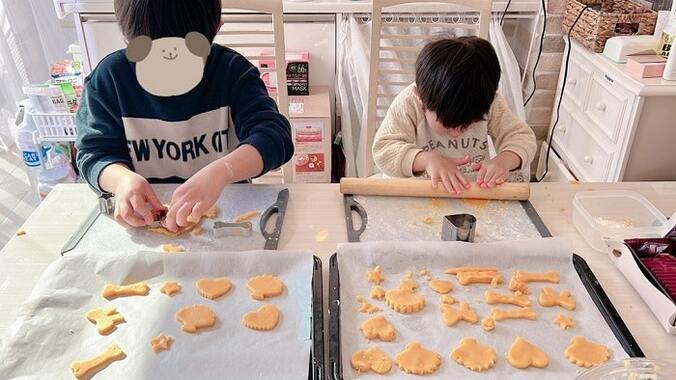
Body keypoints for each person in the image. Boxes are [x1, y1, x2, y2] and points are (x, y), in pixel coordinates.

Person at [76, 0, 293, 232]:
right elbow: (93, 153)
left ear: (217, 29)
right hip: (144, 224)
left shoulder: (232, 73)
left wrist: (223, 172)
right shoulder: (110, 81)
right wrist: (120, 180)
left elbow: (274, 137)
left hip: (227, 219)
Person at [372, 36, 536, 194]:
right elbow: (383, 151)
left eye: (467, 124)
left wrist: (504, 161)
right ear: (420, 97)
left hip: (472, 190)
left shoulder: (487, 102)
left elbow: (521, 137)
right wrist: (427, 160)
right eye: (447, 124)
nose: (456, 133)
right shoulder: (409, 104)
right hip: (421, 191)